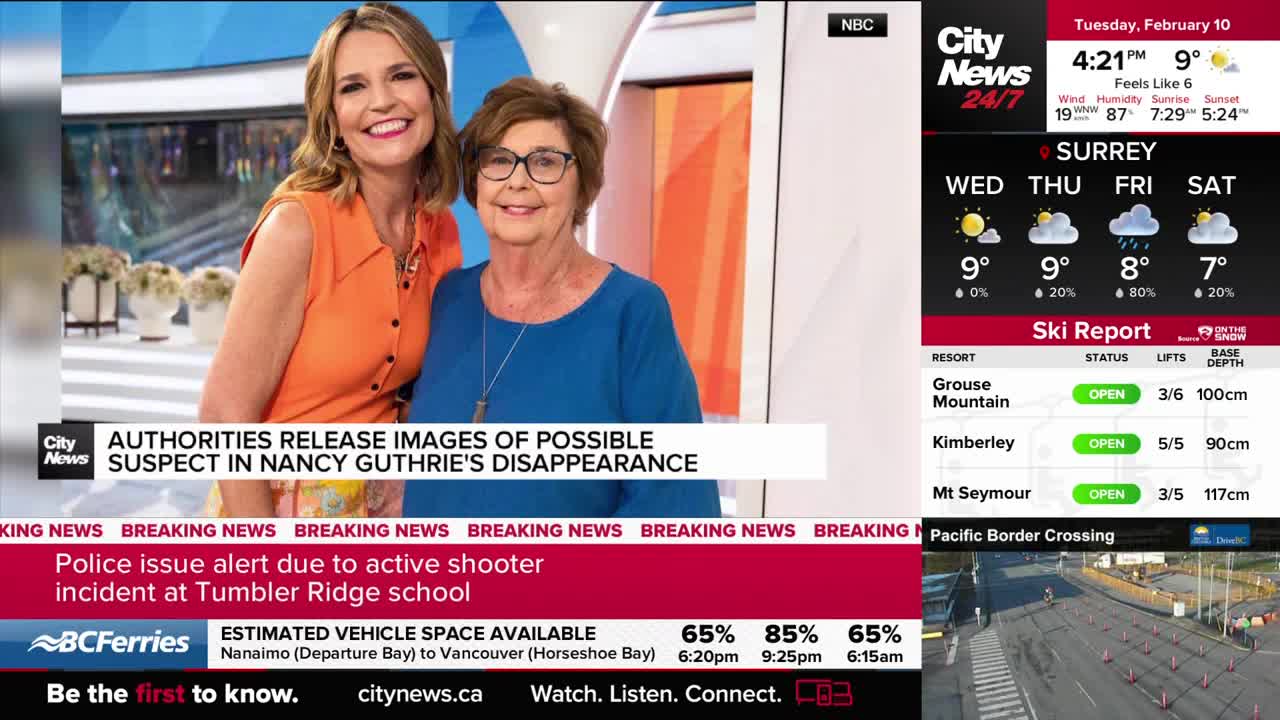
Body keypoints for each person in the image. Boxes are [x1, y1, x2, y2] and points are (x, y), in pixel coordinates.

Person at [400, 77, 721, 518]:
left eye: (545, 163)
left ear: (581, 184)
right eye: (498, 160)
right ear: (477, 181)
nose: (518, 181)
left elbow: (675, 509)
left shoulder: (633, 314)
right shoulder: (447, 299)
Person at [199, 2, 461, 517]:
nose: (382, 102)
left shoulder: (440, 225)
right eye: (353, 87)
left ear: (432, 91)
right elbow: (225, 413)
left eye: (401, 75)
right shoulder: (297, 226)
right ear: (333, 120)